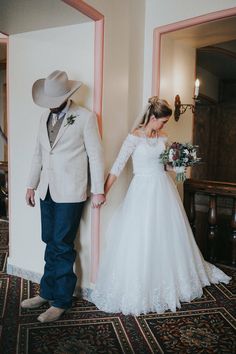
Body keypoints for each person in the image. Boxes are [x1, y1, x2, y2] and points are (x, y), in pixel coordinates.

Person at [91, 96, 231, 316]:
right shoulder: (134, 138)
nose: (164, 126)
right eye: (162, 121)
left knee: (167, 236)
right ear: (153, 117)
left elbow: (164, 165)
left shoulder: (163, 138)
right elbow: (117, 167)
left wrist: (180, 168)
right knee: (143, 237)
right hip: (142, 191)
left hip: (163, 190)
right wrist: (102, 192)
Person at [21, 70, 105, 322]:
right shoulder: (43, 118)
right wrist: (30, 185)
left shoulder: (85, 117)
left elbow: (96, 156)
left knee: (62, 244)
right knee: (49, 240)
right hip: (46, 189)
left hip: (71, 191)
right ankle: (46, 292)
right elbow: (38, 153)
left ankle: (61, 301)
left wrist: (98, 189)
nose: (49, 105)